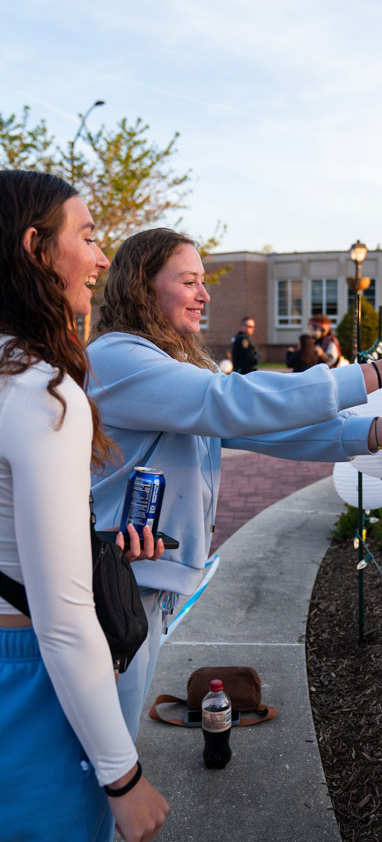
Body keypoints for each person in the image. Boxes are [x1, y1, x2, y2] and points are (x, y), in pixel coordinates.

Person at [87, 228, 382, 740]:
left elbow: (260, 426)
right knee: (104, 746)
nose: (204, 295)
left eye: (204, 282)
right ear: (142, 287)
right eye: (188, 281)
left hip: (142, 580)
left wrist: (379, 431)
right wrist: (370, 376)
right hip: (110, 580)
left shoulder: (170, 362)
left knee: (115, 739)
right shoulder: (118, 358)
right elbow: (229, 402)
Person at [0, 170, 168, 841]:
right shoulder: (38, 392)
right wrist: (123, 779)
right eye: (89, 236)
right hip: (23, 679)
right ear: (35, 247)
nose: (101, 258)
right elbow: (64, 619)